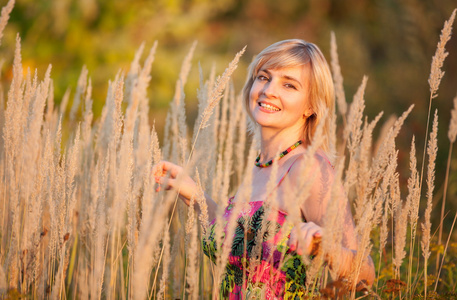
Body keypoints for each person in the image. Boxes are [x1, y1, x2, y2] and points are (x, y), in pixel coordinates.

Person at [154, 39, 375, 299]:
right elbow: (238, 240)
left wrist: (324, 247)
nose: (269, 90)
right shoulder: (260, 167)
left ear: (311, 106)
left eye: (289, 84)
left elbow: (364, 275)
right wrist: (195, 195)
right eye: (263, 77)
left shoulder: (310, 168)